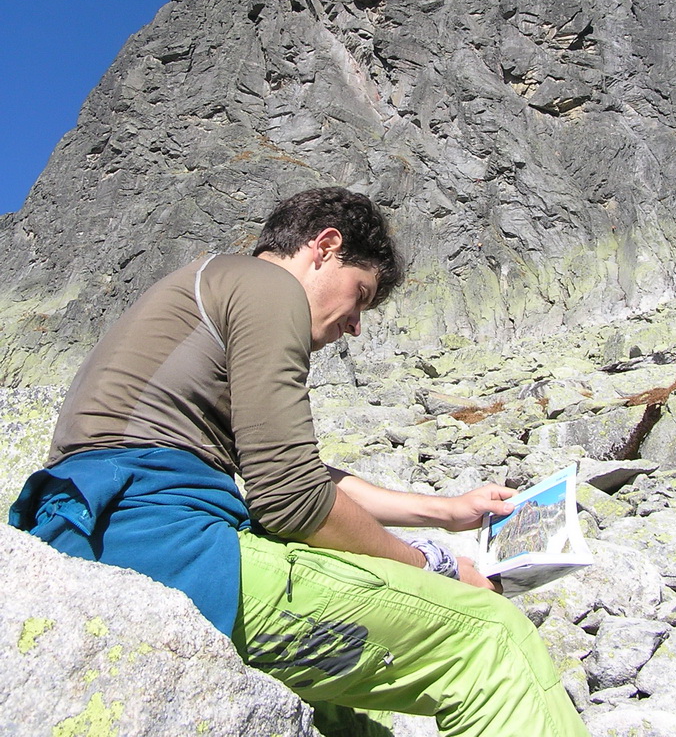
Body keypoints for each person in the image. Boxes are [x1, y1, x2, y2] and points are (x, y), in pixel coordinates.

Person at [10, 186, 587, 737]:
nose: (355, 325)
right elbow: (292, 498)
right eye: (361, 295)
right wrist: (434, 567)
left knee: (340, 721)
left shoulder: (214, 289)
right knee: (493, 639)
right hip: (163, 541)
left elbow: (291, 472)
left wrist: (443, 511)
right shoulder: (269, 287)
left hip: (99, 529)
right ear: (325, 246)